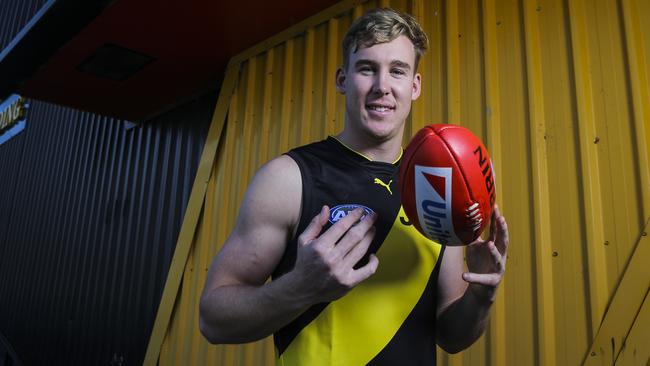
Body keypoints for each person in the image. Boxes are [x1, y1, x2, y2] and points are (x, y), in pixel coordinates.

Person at [199, 7, 508, 365]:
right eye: (367, 68)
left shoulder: (439, 188)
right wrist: (299, 288)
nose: (382, 86)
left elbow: (452, 337)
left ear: (415, 85)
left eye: (397, 71)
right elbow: (213, 319)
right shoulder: (289, 178)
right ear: (342, 79)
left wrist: (480, 295)